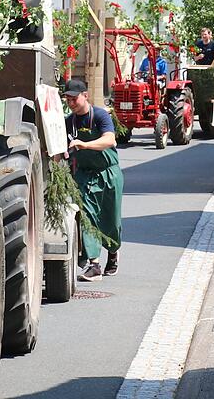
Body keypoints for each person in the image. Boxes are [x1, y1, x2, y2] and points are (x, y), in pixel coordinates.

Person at [64, 79, 123, 282]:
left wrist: (85, 144)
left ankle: (113, 253)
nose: (71, 102)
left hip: (109, 173)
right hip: (84, 175)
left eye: (74, 98)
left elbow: (110, 140)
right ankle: (94, 264)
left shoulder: (99, 115)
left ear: (85, 95)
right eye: (68, 99)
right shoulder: (69, 122)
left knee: (111, 219)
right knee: (88, 218)